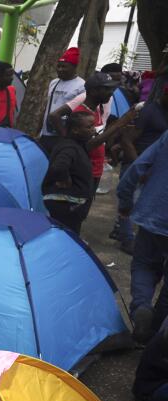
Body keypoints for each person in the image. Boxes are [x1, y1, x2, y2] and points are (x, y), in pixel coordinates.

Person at [48, 72, 139, 230]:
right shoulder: (82, 116)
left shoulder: (97, 110)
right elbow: (88, 145)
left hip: (94, 170)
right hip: (82, 173)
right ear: (95, 91)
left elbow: (99, 138)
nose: (111, 94)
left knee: (81, 215)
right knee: (72, 217)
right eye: (107, 90)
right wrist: (120, 123)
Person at [121, 129, 168, 342]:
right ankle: (156, 331)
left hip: (153, 213)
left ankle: (141, 307)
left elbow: (138, 167)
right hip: (154, 214)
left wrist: (125, 201)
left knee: (144, 265)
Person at [42, 111, 96, 234]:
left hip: (71, 205)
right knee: (67, 235)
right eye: (89, 127)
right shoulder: (69, 148)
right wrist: (65, 179)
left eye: (93, 126)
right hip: (66, 206)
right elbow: (58, 168)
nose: (93, 130)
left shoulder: (77, 145)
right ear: (76, 130)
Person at [39, 48, 87, 151]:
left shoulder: (81, 85)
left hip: (63, 133)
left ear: (74, 67)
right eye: (59, 66)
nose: (60, 69)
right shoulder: (54, 82)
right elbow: (47, 106)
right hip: (46, 133)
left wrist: (66, 138)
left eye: (64, 67)